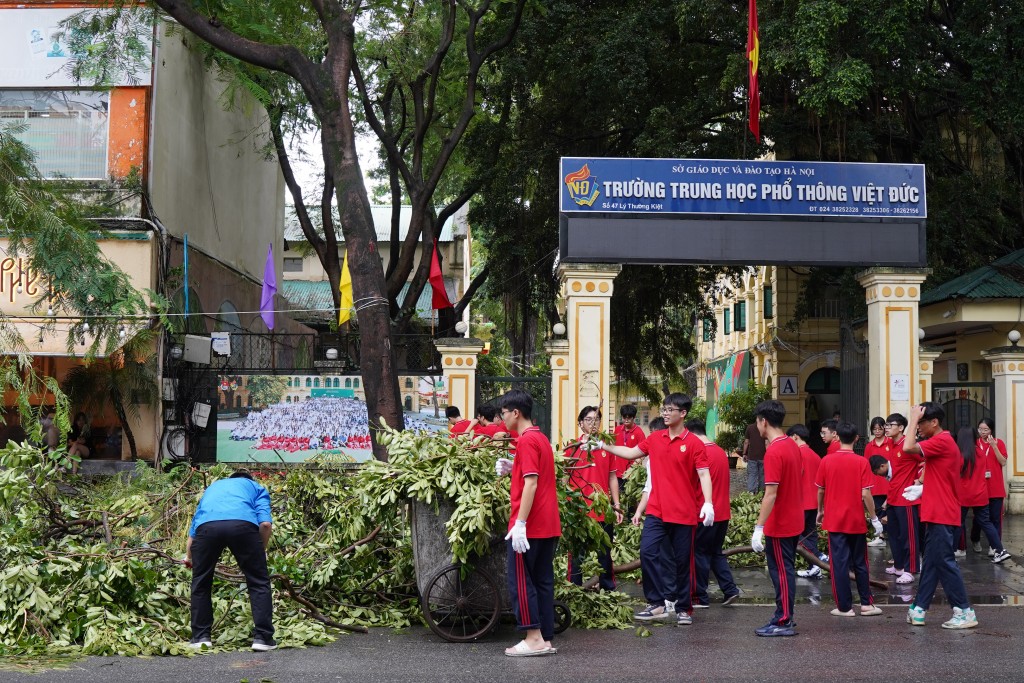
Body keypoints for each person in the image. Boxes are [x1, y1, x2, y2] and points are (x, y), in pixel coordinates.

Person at [601, 393, 714, 626]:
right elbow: (631, 453)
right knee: (647, 552)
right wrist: (603, 445)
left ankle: (683, 607)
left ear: (682, 413)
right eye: (663, 409)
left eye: (669, 409)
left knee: (682, 561)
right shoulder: (655, 439)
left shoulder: (693, 443)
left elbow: (704, 474)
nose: (664, 413)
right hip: (656, 511)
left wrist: (708, 503)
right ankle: (657, 603)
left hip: (683, 513)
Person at [494, 390, 560, 656]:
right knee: (542, 580)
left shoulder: (526, 441)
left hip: (530, 525)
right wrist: (515, 467)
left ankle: (532, 637)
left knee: (521, 581)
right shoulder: (540, 438)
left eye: (504, 413)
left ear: (516, 413)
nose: (503, 419)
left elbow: (532, 483)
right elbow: (535, 474)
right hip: (548, 524)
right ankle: (544, 637)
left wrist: (520, 522)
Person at [904, 403, 978, 629]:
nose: (919, 428)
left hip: (942, 512)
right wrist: (923, 489)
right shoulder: (943, 442)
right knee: (933, 563)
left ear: (934, 422)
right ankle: (919, 608)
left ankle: (964, 610)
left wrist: (913, 417)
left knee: (944, 562)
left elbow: (908, 447)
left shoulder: (942, 440)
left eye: (923, 423)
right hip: (937, 510)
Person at [186, 469, 275, 650]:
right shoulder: (256, 487)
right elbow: (265, 524)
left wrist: (189, 557)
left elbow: (193, 532)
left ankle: (201, 637)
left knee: (201, 582)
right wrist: (261, 550)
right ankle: (263, 639)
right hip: (242, 526)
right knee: (258, 581)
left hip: (207, 528)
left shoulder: (213, 488)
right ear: (248, 479)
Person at [815, 422, 884, 617]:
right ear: (856, 439)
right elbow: (866, 494)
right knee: (861, 562)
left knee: (839, 564)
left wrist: (820, 511)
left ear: (837, 436)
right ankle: (866, 604)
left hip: (835, 520)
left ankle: (844, 607)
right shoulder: (862, 462)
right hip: (855, 520)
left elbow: (821, 489)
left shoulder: (827, 461)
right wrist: (874, 517)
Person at [749, 400, 803, 637]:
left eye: (757, 421)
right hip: (793, 517)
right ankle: (784, 615)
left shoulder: (774, 450)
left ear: (764, 421)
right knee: (786, 570)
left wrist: (758, 527)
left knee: (781, 572)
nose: (757, 426)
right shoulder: (792, 445)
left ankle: (783, 620)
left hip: (780, 522)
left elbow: (770, 494)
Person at [565, 406, 621, 591]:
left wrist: (616, 504)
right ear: (580, 423)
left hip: (602, 508)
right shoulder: (572, 448)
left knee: (604, 552)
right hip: (578, 508)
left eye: (596, 419)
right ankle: (574, 588)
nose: (593, 423)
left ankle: (608, 588)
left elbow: (612, 476)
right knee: (576, 554)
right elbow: (564, 478)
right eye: (588, 420)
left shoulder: (607, 446)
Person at [688, 420, 741, 608]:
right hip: (722, 512)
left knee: (699, 554)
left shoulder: (700, 451)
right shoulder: (719, 451)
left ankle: (699, 596)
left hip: (704, 511)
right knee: (715, 553)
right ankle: (730, 589)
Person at [955, 426, 1009, 563]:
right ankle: (999, 550)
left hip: (963, 494)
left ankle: (953, 550)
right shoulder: (980, 451)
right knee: (987, 523)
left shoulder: (959, 454)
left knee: (957, 523)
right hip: (980, 493)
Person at [884, 413, 920, 584]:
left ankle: (910, 569)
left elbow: (927, 460)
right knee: (893, 534)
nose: (887, 428)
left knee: (909, 536)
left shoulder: (909, 445)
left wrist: (920, 481)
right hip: (892, 496)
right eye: (886, 424)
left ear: (900, 427)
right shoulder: (891, 444)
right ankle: (898, 566)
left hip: (906, 498)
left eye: (890, 425)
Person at [788, 424, 826, 578]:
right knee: (810, 536)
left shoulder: (798, 453)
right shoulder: (815, 455)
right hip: (814, 502)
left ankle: (818, 558)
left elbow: (797, 475)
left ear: (795, 436)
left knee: (797, 537)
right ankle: (814, 566)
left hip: (801, 502)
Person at [972, 418, 1007, 555]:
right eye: (980, 429)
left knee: (995, 518)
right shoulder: (975, 444)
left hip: (995, 487)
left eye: (985, 429)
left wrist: (994, 446)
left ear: (991, 430)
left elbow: (1003, 461)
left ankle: (995, 546)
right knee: (978, 518)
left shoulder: (999, 443)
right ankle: (975, 539)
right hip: (979, 487)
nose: (982, 432)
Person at [863, 417, 891, 547]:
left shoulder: (890, 443)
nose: (878, 431)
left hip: (889, 483)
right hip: (875, 484)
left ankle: (890, 537)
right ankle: (880, 536)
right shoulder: (869, 446)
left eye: (880, 428)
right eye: (875, 429)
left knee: (891, 511)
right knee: (878, 509)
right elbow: (866, 466)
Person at [613, 404, 646, 493]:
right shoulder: (617, 429)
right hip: (618, 472)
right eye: (624, 417)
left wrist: (631, 469)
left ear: (634, 417)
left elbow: (643, 453)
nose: (626, 419)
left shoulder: (639, 432)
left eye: (629, 417)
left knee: (630, 500)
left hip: (632, 473)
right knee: (617, 497)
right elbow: (612, 447)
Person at [742, 422, 766, 493]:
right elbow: (766, 443)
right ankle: (761, 492)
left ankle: (751, 493)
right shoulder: (765, 428)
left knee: (752, 474)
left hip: (752, 456)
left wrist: (744, 453)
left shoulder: (750, 427)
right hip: (763, 456)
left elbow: (746, 442)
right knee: (762, 475)